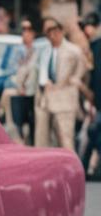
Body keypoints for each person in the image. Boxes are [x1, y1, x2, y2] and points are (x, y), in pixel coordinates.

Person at [31, 17, 86, 150]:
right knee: (42, 141)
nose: (51, 34)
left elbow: (82, 73)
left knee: (66, 140)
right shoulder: (45, 51)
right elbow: (39, 72)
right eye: (48, 32)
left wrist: (74, 82)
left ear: (61, 31)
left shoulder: (73, 51)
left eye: (54, 30)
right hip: (44, 100)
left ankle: (72, 169)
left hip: (64, 101)